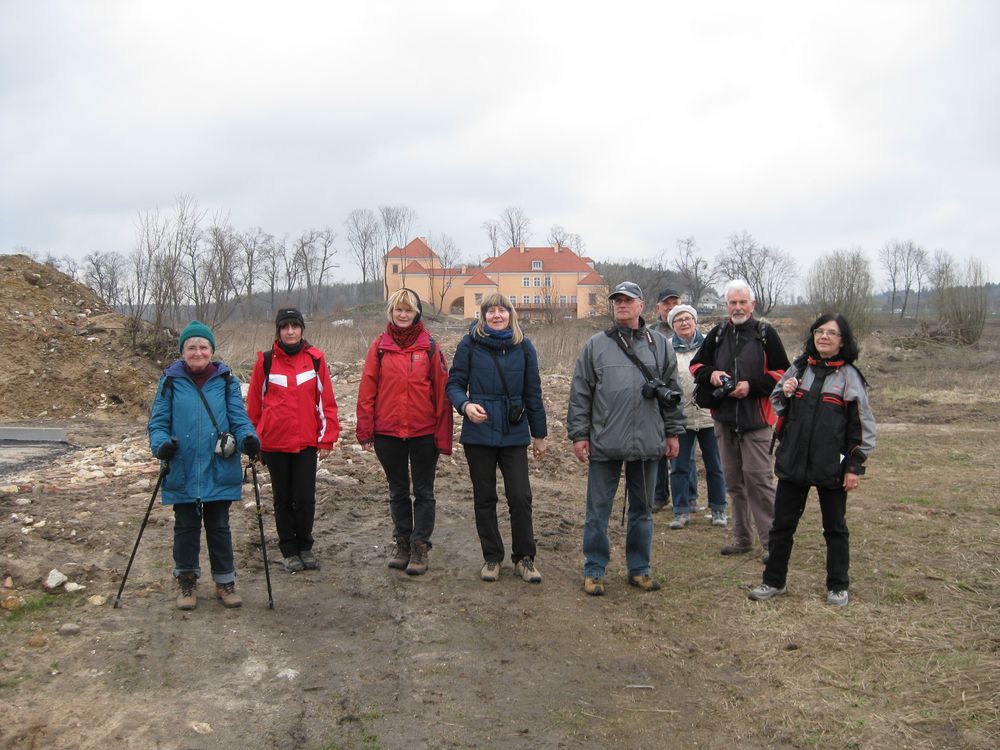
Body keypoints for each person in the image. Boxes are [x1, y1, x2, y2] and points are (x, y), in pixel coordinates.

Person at [749, 314, 875, 607]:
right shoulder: (799, 368)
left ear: (843, 341)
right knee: (782, 526)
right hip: (793, 461)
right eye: (820, 331)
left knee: (835, 528)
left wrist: (854, 466)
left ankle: (838, 586)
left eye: (832, 333)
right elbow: (777, 403)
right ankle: (774, 581)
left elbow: (861, 427)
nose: (824, 337)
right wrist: (786, 392)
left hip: (832, 464)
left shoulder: (850, 377)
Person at [567, 282, 685, 596]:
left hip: (648, 441)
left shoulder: (660, 345)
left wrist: (673, 432)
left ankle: (639, 569)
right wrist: (579, 434)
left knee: (642, 510)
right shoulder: (595, 345)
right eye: (617, 300)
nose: (621, 304)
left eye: (628, 300)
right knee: (597, 511)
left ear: (641, 305)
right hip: (605, 440)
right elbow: (580, 393)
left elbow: (673, 393)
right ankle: (594, 569)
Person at [148, 321, 260, 610]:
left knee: (219, 526)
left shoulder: (226, 381)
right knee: (185, 527)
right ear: (182, 351)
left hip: (218, 465)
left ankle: (225, 582)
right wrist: (161, 445)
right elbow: (158, 423)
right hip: (182, 465)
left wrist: (249, 439)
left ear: (212, 350)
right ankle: (186, 581)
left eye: (203, 347)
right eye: (191, 347)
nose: (197, 352)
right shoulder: (169, 381)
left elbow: (239, 419)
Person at [447, 293, 547, 583]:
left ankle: (524, 558)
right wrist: (465, 406)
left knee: (520, 496)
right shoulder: (469, 344)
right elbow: (454, 384)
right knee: (485, 497)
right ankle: (492, 557)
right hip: (478, 433)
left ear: (510, 314)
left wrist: (539, 435)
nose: (497, 315)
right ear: (483, 315)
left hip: (513, 431)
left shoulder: (524, 346)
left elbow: (533, 393)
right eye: (490, 311)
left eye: (502, 310)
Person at [690, 280, 789, 561]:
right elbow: (696, 365)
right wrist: (712, 374)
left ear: (752, 305)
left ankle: (772, 544)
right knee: (734, 482)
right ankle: (743, 538)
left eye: (742, 302)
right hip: (724, 419)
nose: (737, 307)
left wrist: (750, 386)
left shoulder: (765, 334)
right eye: (733, 302)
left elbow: (783, 373)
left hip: (756, 420)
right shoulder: (718, 334)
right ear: (726, 305)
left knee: (759, 482)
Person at [357, 288, 453, 576]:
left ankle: (420, 545)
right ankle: (402, 543)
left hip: (423, 433)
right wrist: (365, 430)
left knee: (423, 491)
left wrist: (443, 437)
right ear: (391, 312)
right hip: (388, 433)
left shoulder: (430, 347)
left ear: (416, 313)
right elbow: (367, 389)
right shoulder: (379, 347)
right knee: (398, 490)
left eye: (408, 310)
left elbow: (442, 394)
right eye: (398, 309)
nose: (402, 314)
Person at [247, 308, 339, 573]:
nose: (290, 331)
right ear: (278, 331)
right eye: (285, 327)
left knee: (305, 498)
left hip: (306, 442)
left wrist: (327, 438)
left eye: (295, 326)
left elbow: (326, 402)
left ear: (301, 329)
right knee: (283, 499)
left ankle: (305, 546)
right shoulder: (265, 362)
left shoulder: (315, 360)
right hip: (274, 444)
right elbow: (254, 406)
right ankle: (288, 550)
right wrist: (254, 441)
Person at [665, 304, 727, 529]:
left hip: (709, 416)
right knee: (679, 466)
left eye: (688, 318)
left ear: (695, 321)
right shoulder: (667, 348)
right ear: (672, 325)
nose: (684, 322)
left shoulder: (710, 345)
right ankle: (681, 511)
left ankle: (718, 509)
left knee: (715, 465)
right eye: (679, 319)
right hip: (681, 416)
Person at [651, 288, 686, 513]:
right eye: (667, 304)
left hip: (683, 400)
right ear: (658, 308)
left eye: (676, 303)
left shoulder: (688, 330)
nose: (672, 308)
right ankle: (659, 495)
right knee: (658, 449)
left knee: (683, 454)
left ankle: (687, 497)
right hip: (657, 398)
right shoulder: (651, 334)